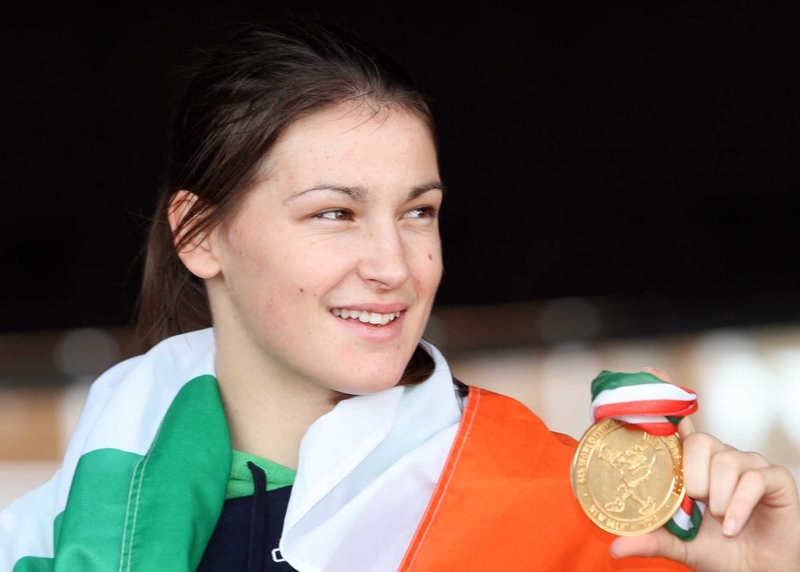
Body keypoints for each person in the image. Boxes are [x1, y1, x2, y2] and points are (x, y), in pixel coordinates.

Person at [1, 20, 798, 572]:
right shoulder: (55, 531)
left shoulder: (573, 515)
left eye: (418, 212)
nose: (395, 264)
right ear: (199, 234)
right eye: (335, 213)